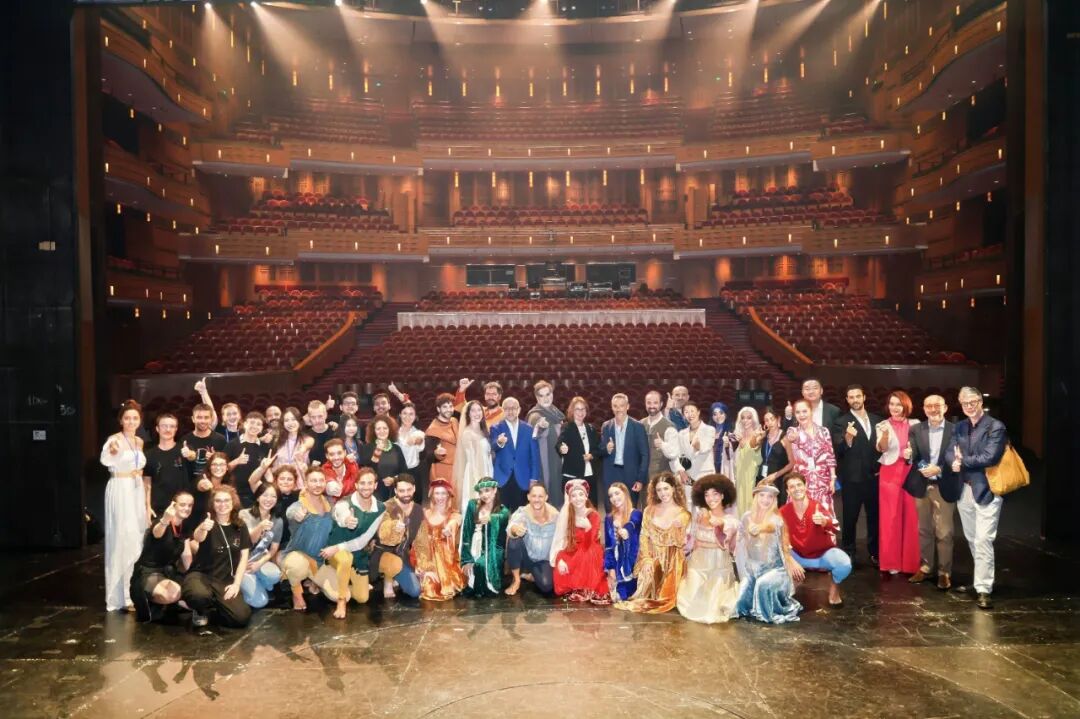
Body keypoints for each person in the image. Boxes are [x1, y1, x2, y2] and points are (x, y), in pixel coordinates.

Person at [951, 386, 1008, 609]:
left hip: (987, 489)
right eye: (965, 403)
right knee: (973, 538)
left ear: (980, 402)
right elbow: (950, 451)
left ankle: (984, 588)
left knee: (984, 539)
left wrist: (962, 461)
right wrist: (952, 460)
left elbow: (990, 457)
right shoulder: (959, 426)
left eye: (973, 401)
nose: (969, 406)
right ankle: (980, 580)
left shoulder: (995, 426)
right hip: (964, 490)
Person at [903, 394, 960, 589]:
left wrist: (939, 469)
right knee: (924, 529)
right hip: (922, 484)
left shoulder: (955, 430)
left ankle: (944, 572)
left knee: (945, 532)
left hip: (944, 484)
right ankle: (926, 567)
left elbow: (956, 456)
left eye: (937, 405)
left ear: (945, 408)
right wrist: (913, 460)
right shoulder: (916, 429)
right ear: (924, 409)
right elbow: (914, 454)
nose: (933, 409)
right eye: (929, 406)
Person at [616, 472, 692, 614]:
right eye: (659, 490)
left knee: (665, 599)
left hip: (672, 561)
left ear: (673, 488)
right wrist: (646, 559)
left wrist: (678, 527)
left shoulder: (683, 514)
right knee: (646, 581)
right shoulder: (649, 510)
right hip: (653, 556)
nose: (663, 493)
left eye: (666, 488)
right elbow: (644, 536)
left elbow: (680, 543)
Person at [100, 399, 149, 612]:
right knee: (122, 538)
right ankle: (120, 596)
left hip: (136, 489)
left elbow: (139, 465)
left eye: (135, 418)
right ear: (121, 420)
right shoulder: (115, 440)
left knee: (136, 537)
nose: (131, 422)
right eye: (127, 418)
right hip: (120, 489)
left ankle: (134, 591)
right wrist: (112, 451)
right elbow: (106, 459)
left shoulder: (139, 441)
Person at [317, 467, 384, 618]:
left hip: (355, 552)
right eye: (362, 483)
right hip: (335, 552)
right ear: (356, 485)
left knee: (362, 598)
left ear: (375, 485)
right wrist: (347, 520)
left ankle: (339, 581)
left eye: (370, 483)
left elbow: (363, 541)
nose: (366, 487)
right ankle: (341, 600)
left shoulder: (380, 508)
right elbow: (340, 514)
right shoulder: (344, 503)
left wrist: (338, 547)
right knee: (345, 560)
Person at [183, 486, 252, 629]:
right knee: (199, 596)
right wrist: (203, 528)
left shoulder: (240, 526)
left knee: (241, 618)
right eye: (218, 501)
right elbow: (198, 537)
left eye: (226, 500)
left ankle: (214, 607)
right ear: (213, 504)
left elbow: (244, 557)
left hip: (225, 580)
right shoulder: (207, 523)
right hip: (201, 575)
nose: (222, 504)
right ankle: (200, 609)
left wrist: (236, 584)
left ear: (233, 503)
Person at [734, 482, 803, 624]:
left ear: (774, 500)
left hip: (775, 570)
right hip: (753, 570)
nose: (765, 500)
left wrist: (759, 528)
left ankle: (767, 612)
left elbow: (770, 527)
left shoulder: (776, 520)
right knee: (740, 602)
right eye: (762, 495)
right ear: (756, 497)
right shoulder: (746, 517)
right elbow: (739, 536)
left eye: (770, 496)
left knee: (762, 585)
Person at [677, 474, 740, 624]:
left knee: (712, 606)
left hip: (718, 568)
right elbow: (691, 540)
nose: (711, 498)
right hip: (697, 566)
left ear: (723, 495)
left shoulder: (730, 520)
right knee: (692, 601)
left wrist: (720, 523)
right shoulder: (700, 516)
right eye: (707, 495)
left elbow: (728, 534)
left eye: (715, 494)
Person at [780, 473, 850, 607]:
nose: (796, 489)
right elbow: (778, 539)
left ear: (805, 486)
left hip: (821, 556)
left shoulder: (818, 506)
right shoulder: (783, 511)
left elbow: (836, 527)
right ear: (788, 491)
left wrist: (824, 521)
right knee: (776, 557)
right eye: (792, 487)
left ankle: (834, 587)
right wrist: (790, 560)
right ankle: (791, 582)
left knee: (844, 563)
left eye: (799, 485)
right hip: (797, 556)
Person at [834, 385, 884, 564]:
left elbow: (882, 447)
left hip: (874, 477)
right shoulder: (841, 422)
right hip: (852, 479)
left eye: (857, 396)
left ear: (864, 397)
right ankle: (849, 552)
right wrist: (848, 438)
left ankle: (875, 552)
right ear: (847, 400)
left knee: (874, 517)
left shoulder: (878, 420)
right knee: (850, 518)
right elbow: (838, 450)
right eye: (851, 397)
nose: (855, 400)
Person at [130, 491, 196, 623]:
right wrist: (165, 520)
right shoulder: (161, 521)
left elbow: (186, 554)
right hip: (148, 573)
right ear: (174, 505)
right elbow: (157, 533)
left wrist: (194, 576)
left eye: (190, 505)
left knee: (195, 592)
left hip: (169, 572)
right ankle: (164, 601)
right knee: (171, 595)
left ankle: (179, 601)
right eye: (182, 504)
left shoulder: (185, 526)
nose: (187, 508)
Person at [875, 391, 921, 577]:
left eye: (898, 404)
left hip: (911, 473)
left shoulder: (916, 424)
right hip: (890, 473)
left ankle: (910, 563)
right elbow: (881, 448)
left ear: (905, 406)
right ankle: (891, 562)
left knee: (912, 517)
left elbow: (922, 449)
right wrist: (885, 435)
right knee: (890, 517)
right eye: (891, 404)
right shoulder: (882, 425)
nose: (894, 408)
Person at [281, 466, 334, 611]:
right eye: (313, 481)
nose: (317, 484)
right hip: (297, 556)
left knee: (340, 596)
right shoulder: (299, 505)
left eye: (321, 480)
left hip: (319, 561)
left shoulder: (330, 504)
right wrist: (297, 515)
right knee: (296, 566)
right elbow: (291, 513)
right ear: (306, 484)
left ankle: (313, 581)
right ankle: (296, 593)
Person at [550, 479, 609, 603]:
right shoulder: (569, 515)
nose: (578, 498)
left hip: (590, 550)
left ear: (586, 497)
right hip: (574, 549)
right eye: (574, 496)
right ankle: (574, 585)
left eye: (581, 494)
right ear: (570, 499)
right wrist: (560, 558)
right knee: (561, 564)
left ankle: (583, 586)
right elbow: (562, 540)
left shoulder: (593, 515)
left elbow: (589, 543)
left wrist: (587, 528)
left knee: (585, 557)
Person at [370, 474, 424, 600]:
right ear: (395, 491)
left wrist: (421, 564)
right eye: (401, 491)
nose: (406, 494)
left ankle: (396, 576)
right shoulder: (385, 507)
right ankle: (387, 578)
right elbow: (382, 533)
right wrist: (393, 527)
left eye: (409, 490)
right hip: (382, 554)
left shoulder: (419, 510)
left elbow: (421, 541)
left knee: (416, 591)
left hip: (404, 556)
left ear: (414, 488)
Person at [411, 478, 466, 601]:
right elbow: (419, 541)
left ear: (448, 495)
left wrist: (449, 529)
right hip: (426, 558)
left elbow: (454, 523)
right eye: (437, 493)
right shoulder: (425, 513)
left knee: (442, 585)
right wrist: (423, 566)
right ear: (432, 495)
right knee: (429, 585)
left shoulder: (454, 515)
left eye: (443, 493)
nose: (440, 497)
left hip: (445, 561)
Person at [784, 398, 838, 519]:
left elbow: (830, 455)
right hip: (801, 481)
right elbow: (791, 437)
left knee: (822, 516)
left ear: (811, 411)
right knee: (801, 516)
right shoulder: (792, 431)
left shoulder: (824, 431)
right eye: (798, 412)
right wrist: (794, 437)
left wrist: (832, 478)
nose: (802, 415)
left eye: (804, 411)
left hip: (822, 480)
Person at [489, 396, 542, 513]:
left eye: (513, 408)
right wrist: (499, 442)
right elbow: (492, 447)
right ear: (503, 410)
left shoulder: (529, 429)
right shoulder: (496, 428)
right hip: (502, 479)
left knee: (521, 514)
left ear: (519, 410)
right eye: (507, 408)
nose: (510, 411)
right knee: (501, 515)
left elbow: (534, 456)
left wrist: (534, 478)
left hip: (523, 478)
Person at [505, 482, 559, 596]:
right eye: (534, 496)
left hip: (543, 560)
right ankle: (516, 579)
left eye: (540, 496)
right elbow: (511, 526)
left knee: (547, 586)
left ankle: (531, 575)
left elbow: (562, 537)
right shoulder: (522, 512)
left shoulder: (555, 515)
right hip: (526, 557)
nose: (537, 500)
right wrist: (515, 529)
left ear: (546, 497)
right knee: (513, 541)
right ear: (528, 497)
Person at [460, 478, 510, 597]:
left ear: (495, 490)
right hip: (474, 547)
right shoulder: (473, 505)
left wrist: (491, 519)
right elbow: (466, 532)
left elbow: (502, 520)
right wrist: (466, 559)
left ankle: (484, 587)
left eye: (487, 490)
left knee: (480, 565)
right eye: (481, 492)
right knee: (468, 569)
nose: (484, 495)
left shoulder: (503, 511)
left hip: (494, 550)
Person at [238, 482, 283, 610]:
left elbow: (273, 549)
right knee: (261, 602)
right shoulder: (244, 514)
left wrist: (260, 563)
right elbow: (248, 541)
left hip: (259, 560)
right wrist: (260, 527)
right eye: (265, 495)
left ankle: (255, 582)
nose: (269, 499)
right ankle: (243, 583)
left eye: (273, 496)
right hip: (241, 561)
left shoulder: (278, 521)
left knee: (275, 575)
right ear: (258, 497)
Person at [600, 393, 649, 509]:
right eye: (615, 406)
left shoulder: (638, 427)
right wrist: (606, 449)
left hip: (631, 474)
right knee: (611, 509)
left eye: (621, 406)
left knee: (630, 508)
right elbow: (600, 451)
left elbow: (645, 455)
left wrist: (640, 479)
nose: (618, 409)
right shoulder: (606, 426)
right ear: (612, 407)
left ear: (627, 406)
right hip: (611, 474)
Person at [179, 403, 227, 521]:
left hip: (213, 491)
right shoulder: (185, 439)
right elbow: (181, 468)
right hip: (191, 491)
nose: (203, 421)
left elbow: (225, 466)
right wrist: (188, 456)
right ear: (193, 419)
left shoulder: (220, 440)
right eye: (199, 417)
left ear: (211, 419)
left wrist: (214, 458)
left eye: (206, 417)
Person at [143, 413, 188, 529]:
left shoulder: (184, 451)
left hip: (183, 508)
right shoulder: (148, 455)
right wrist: (147, 506)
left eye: (172, 426)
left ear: (176, 429)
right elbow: (147, 483)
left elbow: (193, 457)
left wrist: (191, 455)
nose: (168, 429)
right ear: (157, 429)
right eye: (164, 426)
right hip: (158, 508)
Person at [452, 399, 494, 516]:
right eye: (473, 411)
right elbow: (472, 461)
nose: (477, 413)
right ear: (468, 414)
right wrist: (479, 483)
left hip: (486, 470)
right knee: (476, 508)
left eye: (479, 410)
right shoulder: (467, 433)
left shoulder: (484, 430)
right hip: (475, 475)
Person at [526, 380, 565, 505]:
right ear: (537, 398)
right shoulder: (535, 416)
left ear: (552, 394)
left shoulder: (557, 413)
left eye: (548, 394)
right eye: (541, 396)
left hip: (559, 461)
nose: (546, 398)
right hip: (545, 465)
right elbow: (533, 434)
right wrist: (540, 426)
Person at [641, 390, 680, 509]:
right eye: (649, 403)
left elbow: (674, 452)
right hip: (644, 478)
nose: (652, 406)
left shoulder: (669, 426)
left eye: (655, 403)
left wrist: (662, 445)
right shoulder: (640, 424)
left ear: (661, 404)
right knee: (646, 509)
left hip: (662, 478)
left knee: (663, 510)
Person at [604, 482, 643, 601]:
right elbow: (608, 546)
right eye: (611, 495)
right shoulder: (609, 518)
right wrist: (611, 570)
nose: (614, 498)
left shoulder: (636, 513)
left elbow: (632, 523)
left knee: (629, 597)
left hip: (634, 566)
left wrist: (625, 530)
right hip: (617, 566)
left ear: (625, 493)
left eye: (617, 493)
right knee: (613, 597)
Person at [675, 403, 717, 512]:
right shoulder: (682, 433)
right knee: (688, 503)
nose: (689, 414)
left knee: (704, 504)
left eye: (692, 411)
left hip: (705, 473)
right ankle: (690, 524)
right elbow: (680, 454)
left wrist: (698, 446)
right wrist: (682, 472)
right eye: (686, 412)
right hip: (688, 475)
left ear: (698, 412)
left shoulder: (709, 429)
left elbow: (707, 447)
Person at [557, 396, 601, 496]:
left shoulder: (590, 428)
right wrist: (562, 448)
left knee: (591, 503)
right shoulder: (567, 427)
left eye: (583, 409)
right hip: (573, 475)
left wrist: (592, 455)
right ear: (572, 411)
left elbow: (597, 449)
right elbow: (559, 443)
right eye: (577, 409)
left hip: (590, 475)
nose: (580, 412)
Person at [358, 415, 407, 502]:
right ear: (374, 431)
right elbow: (365, 472)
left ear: (390, 430)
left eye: (385, 428)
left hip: (394, 493)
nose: (382, 431)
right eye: (378, 429)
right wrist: (377, 453)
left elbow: (404, 472)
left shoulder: (396, 448)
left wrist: (394, 479)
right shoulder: (367, 448)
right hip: (374, 494)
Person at [225, 411, 267, 508]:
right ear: (245, 424)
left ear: (261, 428)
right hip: (236, 494)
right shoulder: (232, 444)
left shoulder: (265, 447)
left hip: (257, 494)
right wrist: (237, 461)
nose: (254, 426)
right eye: (252, 422)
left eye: (258, 424)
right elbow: (222, 470)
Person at [424, 393, 460, 496]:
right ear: (438, 409)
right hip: (442, 471)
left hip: (456, 469)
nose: (449, 409)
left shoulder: (454, 421)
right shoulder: (433, 430)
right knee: (443, 500)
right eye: (445, 407)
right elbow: (428, 455)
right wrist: (436, 454)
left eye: (451, 406)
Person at [732, 407, 764, 517]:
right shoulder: (737, 435)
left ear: (754, 419)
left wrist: (743, 440)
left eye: (749, 418)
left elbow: (753, 448)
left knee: (751, 500)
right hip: (739, 472)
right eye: (743, 418)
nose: (745, 420)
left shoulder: (758, 435)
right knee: (740, 500)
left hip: (752, 472)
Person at [759, 409, 793, 505]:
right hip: (764, 477)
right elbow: (752, 445)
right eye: (766, 420)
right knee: (764, 506)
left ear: (778, 419)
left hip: (779, 479)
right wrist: (755, 436)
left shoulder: (785, 437)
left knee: (778, 507)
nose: (769, 422)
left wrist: (775, 475)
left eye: (772, 419)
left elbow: (792, 463)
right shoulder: (764, 436)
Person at [271, 407, 313, 479]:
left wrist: (302, 450)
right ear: (283, 423)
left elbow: (308, 443)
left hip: (301, 480)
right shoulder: (277, 441)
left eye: (293, 419)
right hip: (282, 481)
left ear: (299, 421)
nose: (290, 423)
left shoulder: (307, 440)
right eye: (286, 420)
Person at [396, 402, 428, 492]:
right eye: (404, 413)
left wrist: (415, 440)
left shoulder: (418, 433)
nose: (407, 417)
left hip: (413, 472)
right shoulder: (394, 432)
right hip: (396, 472)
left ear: (415, 416)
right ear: (400, 415)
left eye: (411, 414)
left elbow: (419, 440)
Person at [306, 400, 336, 466]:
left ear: (326, 415)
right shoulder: (306, 436)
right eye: (313, 417)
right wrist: (310, 466)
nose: (317, 420)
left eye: (320, 416)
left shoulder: (335, 432)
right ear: (309, 418)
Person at [710, 402, 736, 478]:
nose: (718, 416)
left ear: (726, 414)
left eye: (721, 413)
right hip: (711, 466)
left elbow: (734, 451)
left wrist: (727, 444)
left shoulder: (732, 429)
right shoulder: (708, 430)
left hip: (725, 466)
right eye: (715, 414)